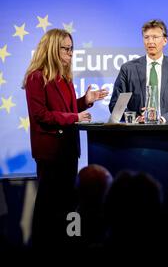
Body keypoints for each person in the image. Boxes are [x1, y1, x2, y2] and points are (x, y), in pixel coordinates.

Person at [22, 28, 108, 247]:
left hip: (69, 149)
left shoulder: (65, 77)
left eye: (72, 49)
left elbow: (66, 110)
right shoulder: (36, 77)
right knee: (48, 205)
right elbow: (40, 115)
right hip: (50, 151)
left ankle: (65, 244)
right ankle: (42, 244)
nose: (71, 53)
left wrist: (85, 101)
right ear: (52, 49)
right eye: (66, 49)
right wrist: (75, 116)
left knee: (67, 205)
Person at [109, 19, 168, 123]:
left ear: (165, 40)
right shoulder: (128, 69)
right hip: (137, 133)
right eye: (146, 37)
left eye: (155, 37)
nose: (150, 41)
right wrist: (135, 118)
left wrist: (162, 119)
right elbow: (115, 105)